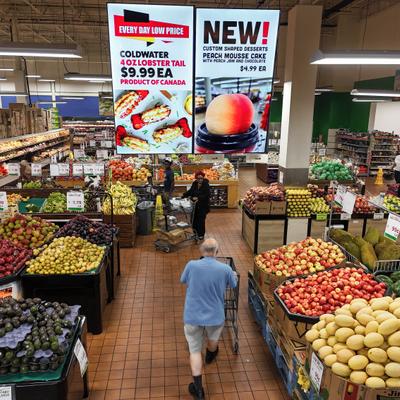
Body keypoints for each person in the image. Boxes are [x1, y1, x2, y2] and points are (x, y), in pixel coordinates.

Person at [180, 238, 237, 400]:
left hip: (192, 315)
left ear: (201, 251)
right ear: (217, 252)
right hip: (215, 315)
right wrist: (231, 276)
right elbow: (233, 284)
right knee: (213, 340)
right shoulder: (225, 269)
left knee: (194, 351)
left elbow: (183, 280)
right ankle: (211, 353)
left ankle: (198, 390)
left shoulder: (191, 265)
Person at [183, 171, 210, 240]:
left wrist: (198, 198)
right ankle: (195, 233)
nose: (200, 180)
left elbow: (207, 195)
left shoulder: (206, 184)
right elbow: (191, 191)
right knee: (194, 220)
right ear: (196, 178)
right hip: (195, 206)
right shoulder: (194, 183)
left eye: (201, 178)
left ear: (203, 178)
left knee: (201, 220)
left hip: (203, 206)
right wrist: (183, 195)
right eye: (198, 178)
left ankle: (201, 234)